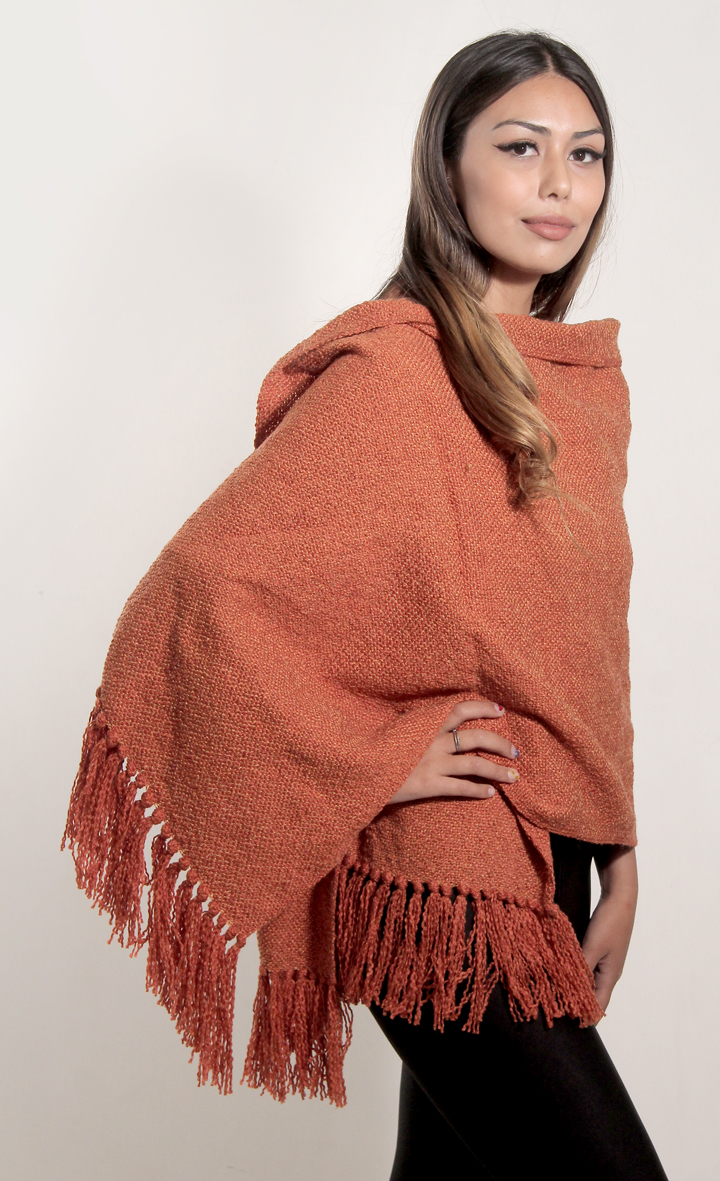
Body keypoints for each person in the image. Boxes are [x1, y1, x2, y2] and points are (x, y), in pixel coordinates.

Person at [63, 29, 668, 1181]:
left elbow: (581, 643)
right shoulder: (396, 373)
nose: (558, 182)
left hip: (552, 861)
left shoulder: (584, 386)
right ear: (448, 167)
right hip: (439, 870)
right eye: (521, 146)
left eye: (585, 154)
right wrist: (373, 761)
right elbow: (197, 602)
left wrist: (621, 851)